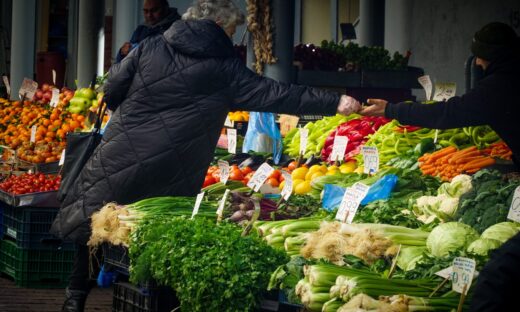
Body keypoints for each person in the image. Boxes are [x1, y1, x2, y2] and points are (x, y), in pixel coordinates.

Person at [51, 0, 361, 311]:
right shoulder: (226, 70)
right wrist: (334, 102)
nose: (232, 35)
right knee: (158, 231)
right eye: (231, 29)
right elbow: (278, 94)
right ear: (218, 27)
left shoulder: (152, 46)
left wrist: (131, 116)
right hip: (173, 166)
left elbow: (113, 86)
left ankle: (75, 297)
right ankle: (156, 300)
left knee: (93, 222)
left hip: (121, 149)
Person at [359, 22, 520, 311]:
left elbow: (448, 113)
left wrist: (392, 109)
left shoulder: (502, 85)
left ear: (493, 56)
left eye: (481, 56)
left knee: (497, 278)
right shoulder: (509, 77)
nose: (478, 63)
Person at [116, 0, 181, 62]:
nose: (149, 15)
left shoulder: (179, 28)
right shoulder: (141, 29)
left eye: (154, 10)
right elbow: (125, 60)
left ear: (166, 8)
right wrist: (122, 53)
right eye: (146, 11)